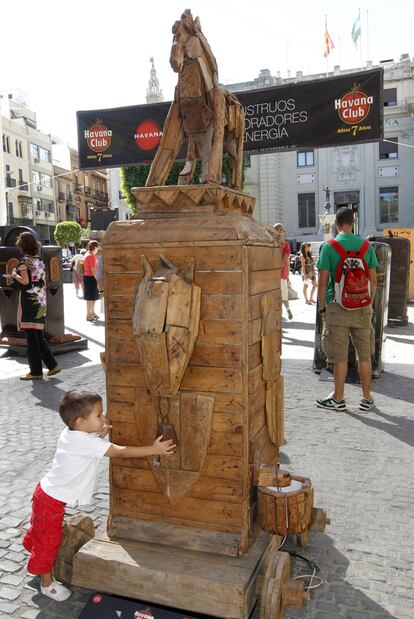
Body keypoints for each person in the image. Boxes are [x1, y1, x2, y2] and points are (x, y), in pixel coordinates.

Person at [22, 389, 175, 601]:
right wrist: (154, 449)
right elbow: (119, 451)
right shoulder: (85, 443)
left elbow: (90, 444)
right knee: (49, 541)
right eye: (99, 414)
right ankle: (47, 583)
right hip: (50, 501)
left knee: (40, 529)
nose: (104, 418)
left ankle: (32, 547)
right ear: (81, 421)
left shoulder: (71, 434)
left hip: (45, 493)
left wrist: (99, 433)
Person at [316, 207, 378, 412]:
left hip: (337, 308)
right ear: (354, 222)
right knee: (365, 355)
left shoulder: (329, 247)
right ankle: (367, 399)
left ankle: (339, 399)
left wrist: (323, 308)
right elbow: (374, 282)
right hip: (362, 308)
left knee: (339, 356)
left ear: (335, 224)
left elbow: (323, 283)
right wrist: (367, 304)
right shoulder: (366, 246)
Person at [11, 232, 61, 380]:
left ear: (21, 246)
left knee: (32, 339)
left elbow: (25, 282)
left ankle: (36, 372)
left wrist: (14, 275)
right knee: (37, 336)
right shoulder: (38, 262)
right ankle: (52, 365)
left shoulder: (24, 263)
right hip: (40, 301)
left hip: (29, 303)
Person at [273, 223, 293, 320]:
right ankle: (288, 309)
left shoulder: (271, 242)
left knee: (275, 296)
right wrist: (288, 274)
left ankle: (278, 315)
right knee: (283, 295)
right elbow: (285, 261)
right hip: (282, 273)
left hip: (271, 274)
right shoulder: (286, 244)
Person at [83, 240, 100, 321]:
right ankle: (88, 314)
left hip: (88, 278)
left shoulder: (87, 254)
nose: (98, 249)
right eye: (98, 247)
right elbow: (93, 270)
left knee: (92, 297)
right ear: (95, 247)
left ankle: (91, 313)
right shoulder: (91, 256)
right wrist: (98, 279)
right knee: (91, 297)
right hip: (91, 278)